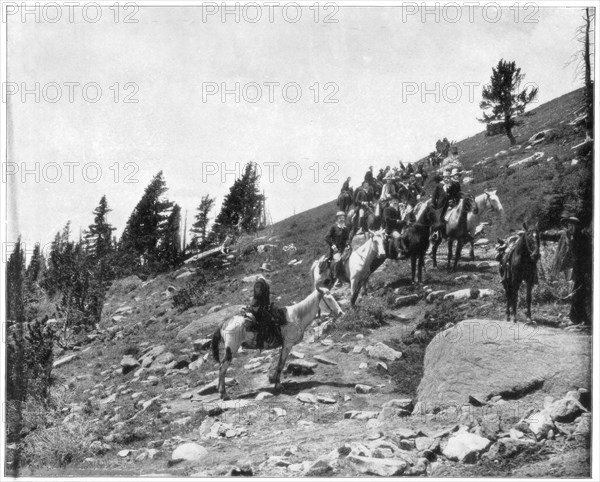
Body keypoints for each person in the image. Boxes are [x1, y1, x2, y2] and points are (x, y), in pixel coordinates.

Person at [562, 217, 592, 325]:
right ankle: (577, 317)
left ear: (575, 227)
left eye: (570, 226)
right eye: (568, 226)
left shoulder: (583, 238)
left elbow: (588, 256)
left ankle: (578, 318)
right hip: (577, 270)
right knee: (576, 293)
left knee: (579, 293)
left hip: (584, 270)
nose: (568, 228)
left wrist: (585, 271)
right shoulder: (573, 237)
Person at [325, 211, 351, 285]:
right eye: (340, 218)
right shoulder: (333, 227)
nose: (341, 219)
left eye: (343, 218)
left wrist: (348, 243)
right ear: (337, 219)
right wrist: (333, 247)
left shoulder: (345, 228)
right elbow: (327, 238)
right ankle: (337, 278)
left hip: (344, 249)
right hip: (335, 250)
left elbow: (347, 238)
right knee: (337, 261)